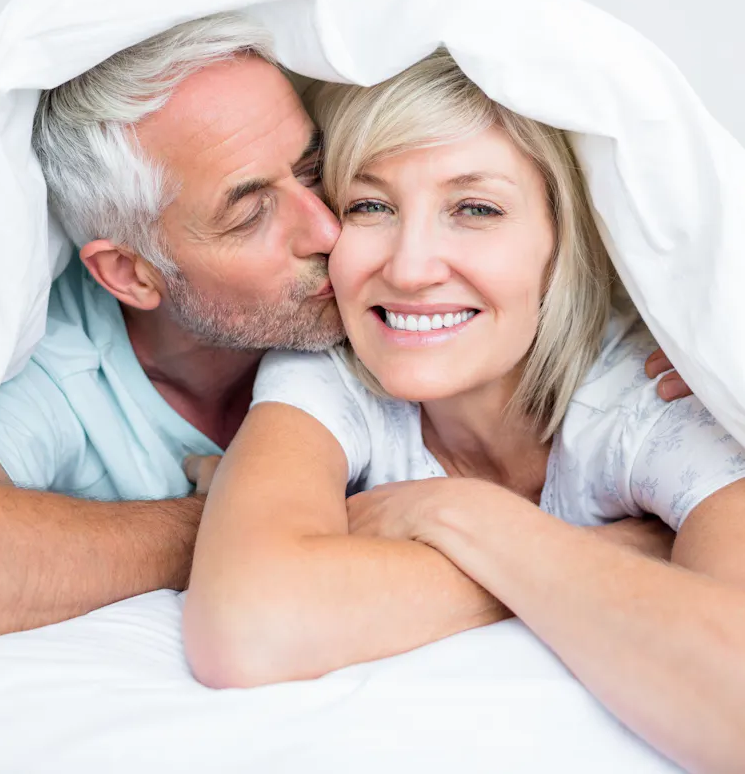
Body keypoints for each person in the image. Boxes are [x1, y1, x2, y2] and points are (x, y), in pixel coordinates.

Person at [0, 14, 682, 650]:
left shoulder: (407, 304)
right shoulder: (64, 367)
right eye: (250, 211)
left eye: (316, 171)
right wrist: (253, 528)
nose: (328, 230)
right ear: (131, 273)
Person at [184, 51, 745, 771]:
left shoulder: (653, 398)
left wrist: (452, 514)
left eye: (475, 209)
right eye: (370, 206)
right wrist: (629, 550)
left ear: (560, 243)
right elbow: (247, 628)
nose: (411, 268)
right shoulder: (336, 367)